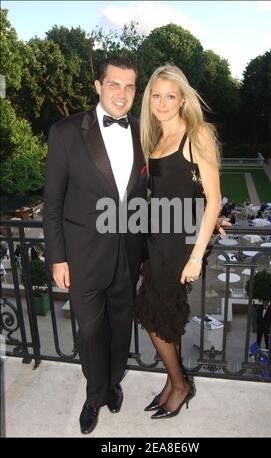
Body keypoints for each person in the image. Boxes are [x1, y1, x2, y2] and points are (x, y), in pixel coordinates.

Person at [43, 55, 148, 434]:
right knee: (90, 331)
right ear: (98, 86)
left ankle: (114, 381)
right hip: (83, 257)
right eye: (114, 84)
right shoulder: (66, 131)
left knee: (121, 327)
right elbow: (52, 201)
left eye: (130, 86)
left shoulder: (142, 132)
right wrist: (57, 259)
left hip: (128, 255)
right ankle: (94, 394)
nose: (122, 94)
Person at [134, 65, 221, 419]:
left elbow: (213, 198)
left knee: (158, 317)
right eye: (156, 95)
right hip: (158, 238)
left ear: (183, 99)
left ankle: (180, 385)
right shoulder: (154, 138)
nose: (163, 102)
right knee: (153, 314)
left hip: (181, 246)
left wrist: (197, 256)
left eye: (170, 95)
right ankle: (174, 382)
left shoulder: (196, 134)